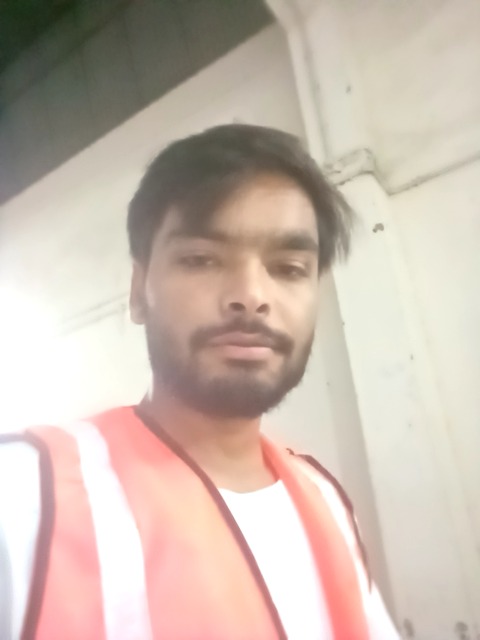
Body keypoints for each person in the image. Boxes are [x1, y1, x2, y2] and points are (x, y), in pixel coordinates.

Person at [0, 124, 399, 640]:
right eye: (202, 260)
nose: (251, 295)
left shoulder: (325, 499)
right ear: (139, 291)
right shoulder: (25, 493)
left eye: (288, 268)